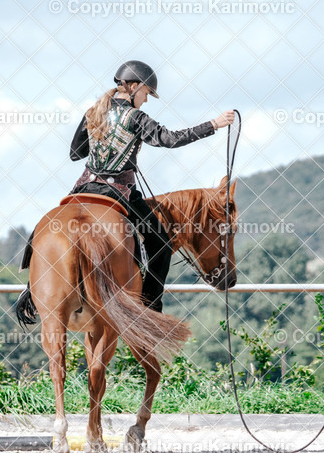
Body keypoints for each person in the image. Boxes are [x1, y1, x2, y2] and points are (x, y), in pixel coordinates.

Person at [68, 60, 235, 313]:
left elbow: (75, 153)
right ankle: (150, 308)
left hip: (83, 190)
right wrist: (213, 125)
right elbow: (170, 139)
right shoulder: (135, 117)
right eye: (146, 93)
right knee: (162, 244)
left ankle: (30, 289)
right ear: (133, 87)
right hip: (119, 193)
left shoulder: (93, 112)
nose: (146, 100)